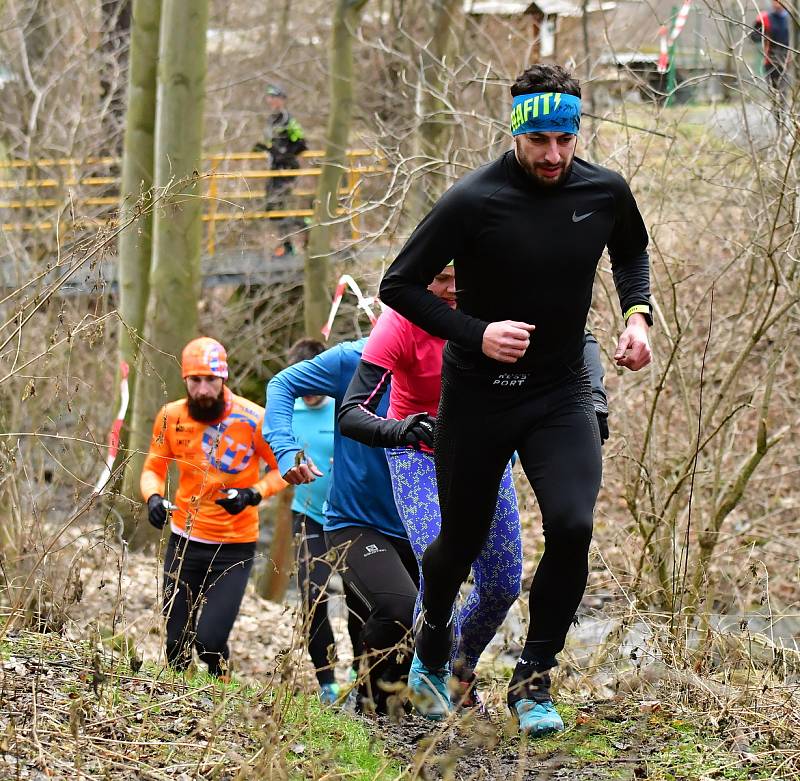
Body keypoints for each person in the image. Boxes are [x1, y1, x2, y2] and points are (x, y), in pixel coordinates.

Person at [379, 64, 652, 735]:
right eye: (541, 142)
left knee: (573, 524)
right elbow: (400, 284)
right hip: (478, 397)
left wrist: (639, 314)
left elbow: (631, 249)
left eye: (566, 139)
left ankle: (533, 678)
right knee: (459, 543)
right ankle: (435, 635)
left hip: (560, 391)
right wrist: (476, 332)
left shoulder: (604, 189)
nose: (554, 154)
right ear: (517, 133)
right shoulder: (472, 200)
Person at [339, 265, 610, 719]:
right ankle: (431, 669)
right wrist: (403, 429)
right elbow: (351, 412)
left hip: (487, 443)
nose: (448, 290)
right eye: (436, 278)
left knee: (502, 583)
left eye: (456, 277)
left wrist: (594, 397)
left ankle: (459, 671)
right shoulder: (401, 322)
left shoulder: (501, 304)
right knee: (439, 555)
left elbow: (579, 339)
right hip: (420, 451)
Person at [263, 339, 418, 715]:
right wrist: (286, 452)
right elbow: (280, 387)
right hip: (336, 517)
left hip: (416, 521)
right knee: (319, 595)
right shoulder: (352, 362)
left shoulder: (456, 358)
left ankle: (377, 698)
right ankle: (330, 682)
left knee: (386, 615)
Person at [141, 337, 287, 679]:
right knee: (176, 644)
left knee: (208, 641)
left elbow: (283, 469)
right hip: (185, 542)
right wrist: (153, 497)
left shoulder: (254, 418)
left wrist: (253, 494)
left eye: (211, 380)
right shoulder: (171, 416)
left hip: (233, 548)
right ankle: (181, 705)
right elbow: (153, 468)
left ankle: (220, 680)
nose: (204, 389)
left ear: (224, 379)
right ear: (185, 380)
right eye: (196, 380)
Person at [284, 338, 360, 705]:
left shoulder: (346, 405)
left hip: (349, 515)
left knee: (358, 597)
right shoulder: (290, 410)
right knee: (312, 597)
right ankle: (327, 681)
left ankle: (363, 671)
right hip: (307, 518)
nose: (311, 394)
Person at [253, 84, 308, 256]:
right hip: (275, 169)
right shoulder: (272, 120)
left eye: (275, 97)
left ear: (282, 99)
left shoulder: (287, 119)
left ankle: (298, 239)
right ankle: (286, 243)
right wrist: (265, 149)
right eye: (270, 97)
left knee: (280, 204)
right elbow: (272, 143)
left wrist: (284, 154)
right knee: (272, 207)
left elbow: (301, 143)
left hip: (286, 169)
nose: (271, 100)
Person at [750, 1, 791, 119]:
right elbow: (754, 37)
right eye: (775, 1)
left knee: (784, 92)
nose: (777, 4)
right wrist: (759, 29)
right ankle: (779, 120)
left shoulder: (791, 20)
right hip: (771, 61)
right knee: (775, 93)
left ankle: (784, 120)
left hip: (788, 61)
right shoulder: (766, 18)